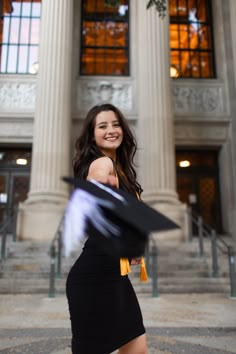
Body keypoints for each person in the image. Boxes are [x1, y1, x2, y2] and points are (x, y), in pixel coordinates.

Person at [66, 103, 148, 354]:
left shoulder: (122, 169)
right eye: (102, 126)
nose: (111, 130)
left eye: (115, 124)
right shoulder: (102, 163)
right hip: (93, 278)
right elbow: (97, 177)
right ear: (92, 135)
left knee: (137, 348)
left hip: (117, 278)